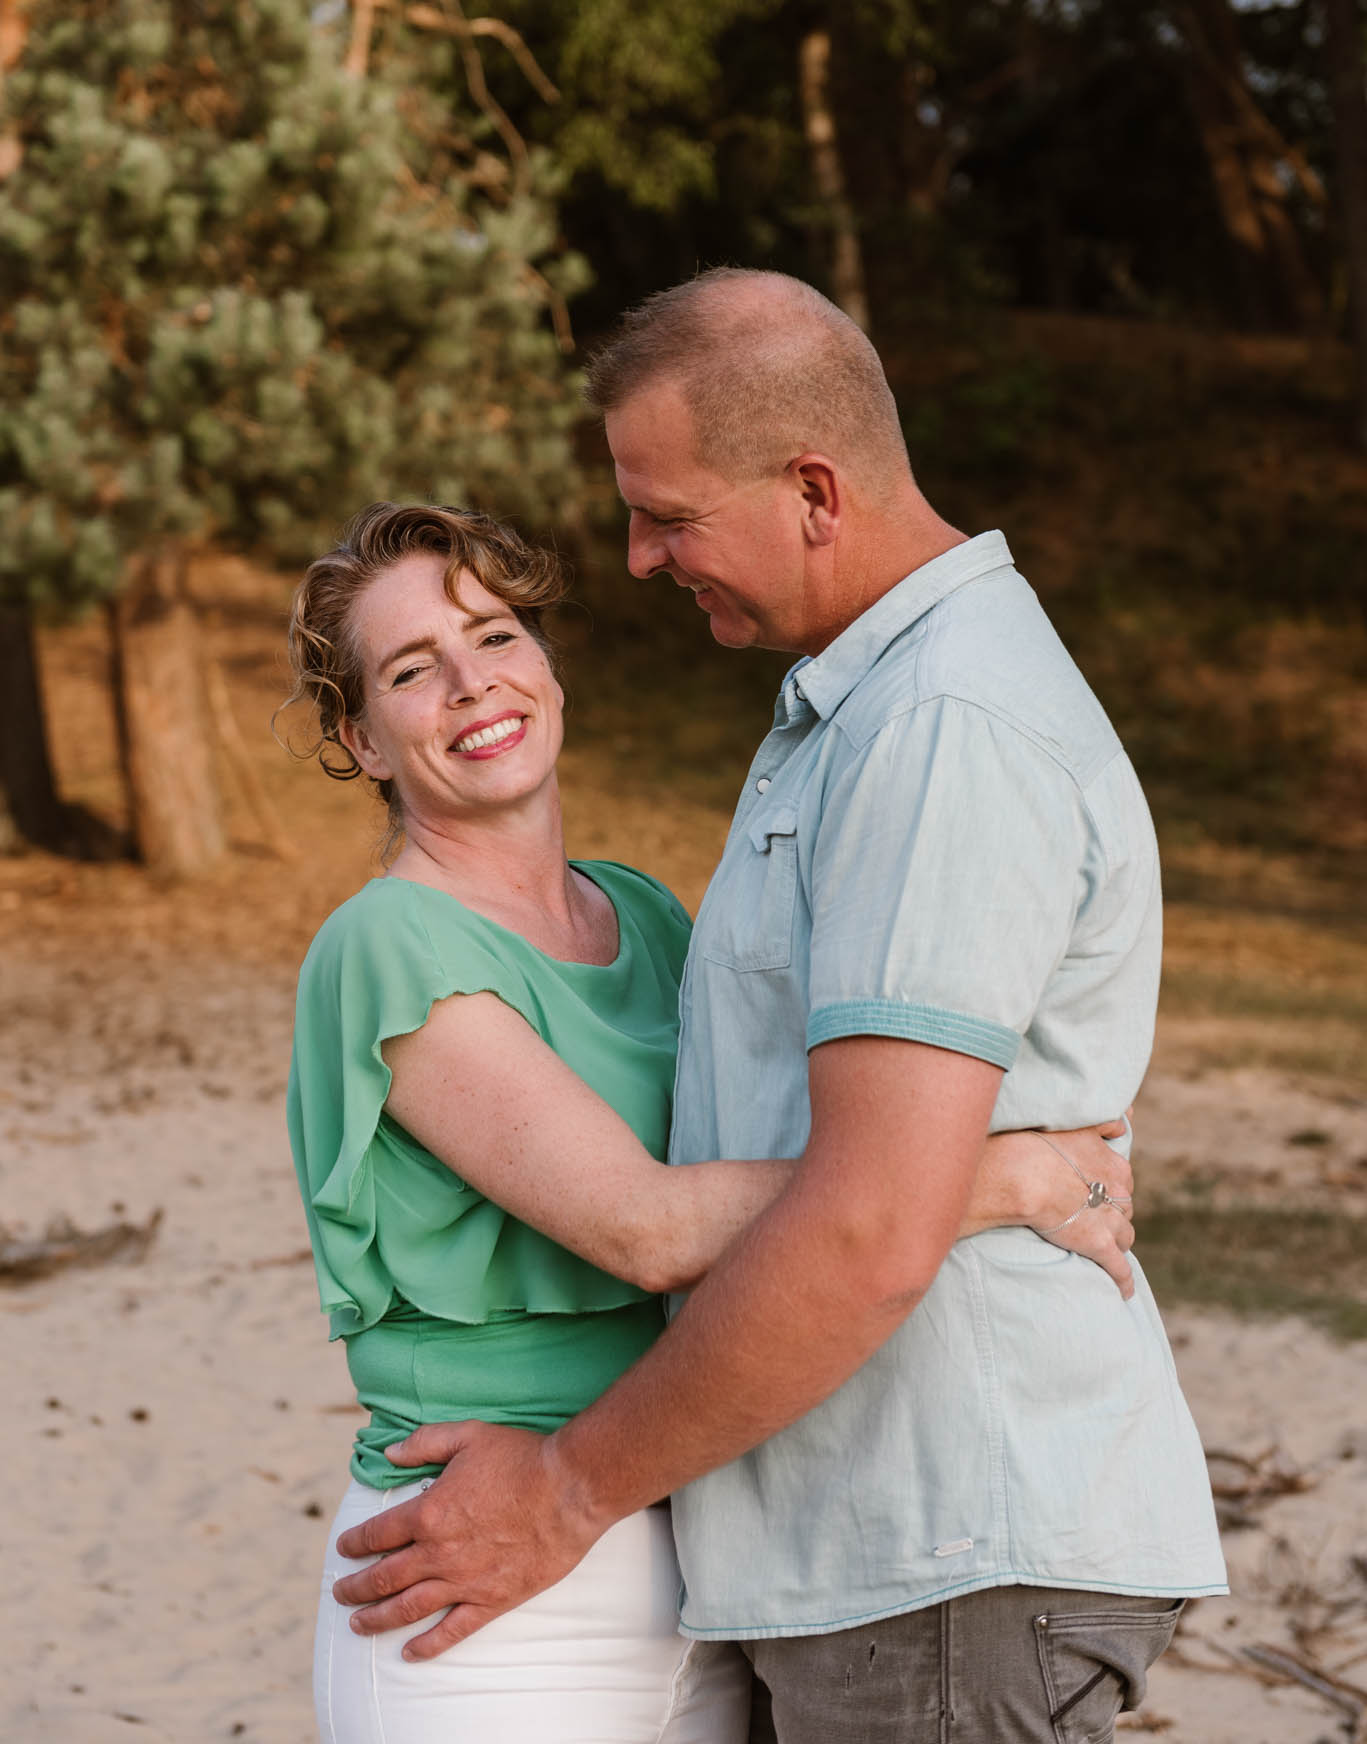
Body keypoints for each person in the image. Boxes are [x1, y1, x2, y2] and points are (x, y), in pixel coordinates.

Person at [330, 272, 1228, 1744]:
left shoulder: (944, 728)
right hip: (858, 1556)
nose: (634, 558)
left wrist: (566, 1491)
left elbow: (872, 1227)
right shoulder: (855, 711)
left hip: (942, 1552)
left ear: (814, 489)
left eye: (668, 516)